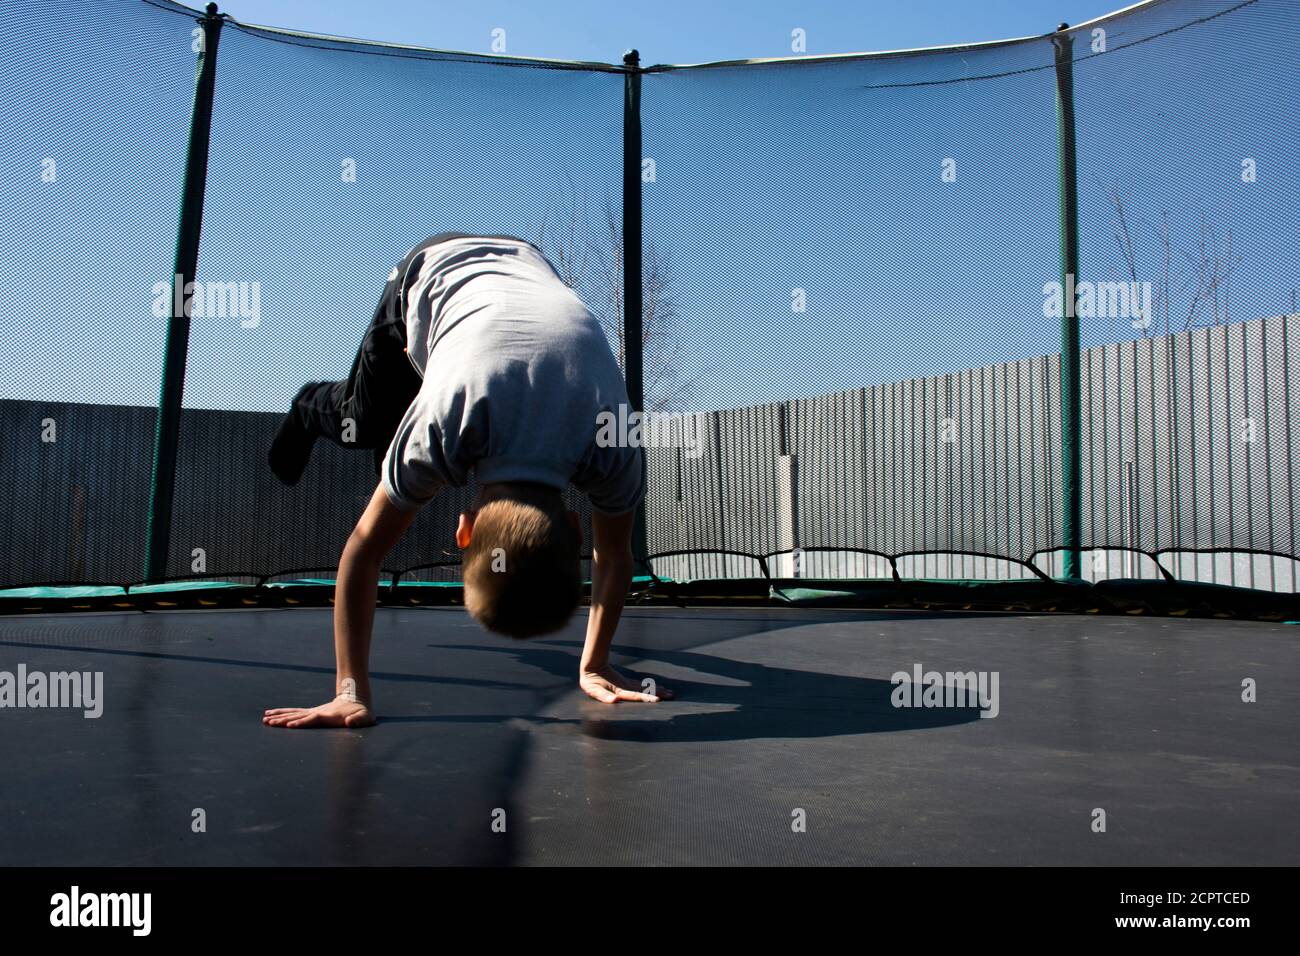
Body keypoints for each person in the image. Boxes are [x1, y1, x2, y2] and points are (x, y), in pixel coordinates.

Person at [262, 232, 671, 728]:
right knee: (364, 422)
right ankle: (308, 408)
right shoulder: (442, 424)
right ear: (463, 531)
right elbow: (362, 551)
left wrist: (595, 663)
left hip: (527, 263)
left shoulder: (616, 440)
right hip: (431, 270)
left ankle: (387, 464)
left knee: (397, 464)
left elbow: (614, 557)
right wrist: (349, 692)